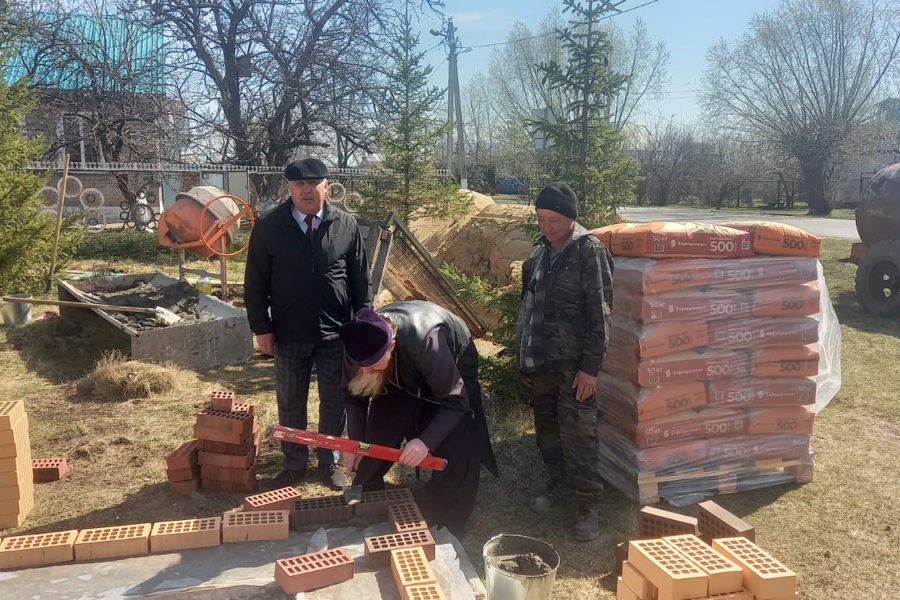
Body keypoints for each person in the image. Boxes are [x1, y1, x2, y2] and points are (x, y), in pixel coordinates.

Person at [244, 157, 372, 490]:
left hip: (336, 332)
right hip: (289, 332)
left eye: (313, 183)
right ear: (289, 188)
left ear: (326, 186)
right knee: (290, 399)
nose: (306, 190)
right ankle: (294, 462)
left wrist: (362, 325)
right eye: (299, 184)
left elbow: (361, 281)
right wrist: (261, 327)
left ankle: (328, 462)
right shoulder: (270, 227)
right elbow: (255, 282)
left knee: (334, 400)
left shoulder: (345, 225)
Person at [337, 301, 499, 537]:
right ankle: (365, 499)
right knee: (378, 434)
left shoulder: (428, 342)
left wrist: (425, 442)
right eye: (359, 367)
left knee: (456, 445)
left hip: (452, 368)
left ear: (391, 346)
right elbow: (354, 398)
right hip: (400, 367)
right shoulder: (357, 344)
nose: (365, 373)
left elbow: (456, 402)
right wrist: (356, 443)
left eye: (371, 367)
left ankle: (445, 517)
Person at [516, 181, 614, 542]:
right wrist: (525, 361)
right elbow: (528, 311)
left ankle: (587, 506)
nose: (546, 226)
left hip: (575, 368)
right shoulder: (539, 256)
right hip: (541, 363)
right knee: (548, 430)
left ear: (571, 218)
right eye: (541, 219)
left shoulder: (589, 251)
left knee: (580, 434)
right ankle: (558, 484)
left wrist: (592, 367)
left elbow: (601, 313)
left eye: (554, 220)